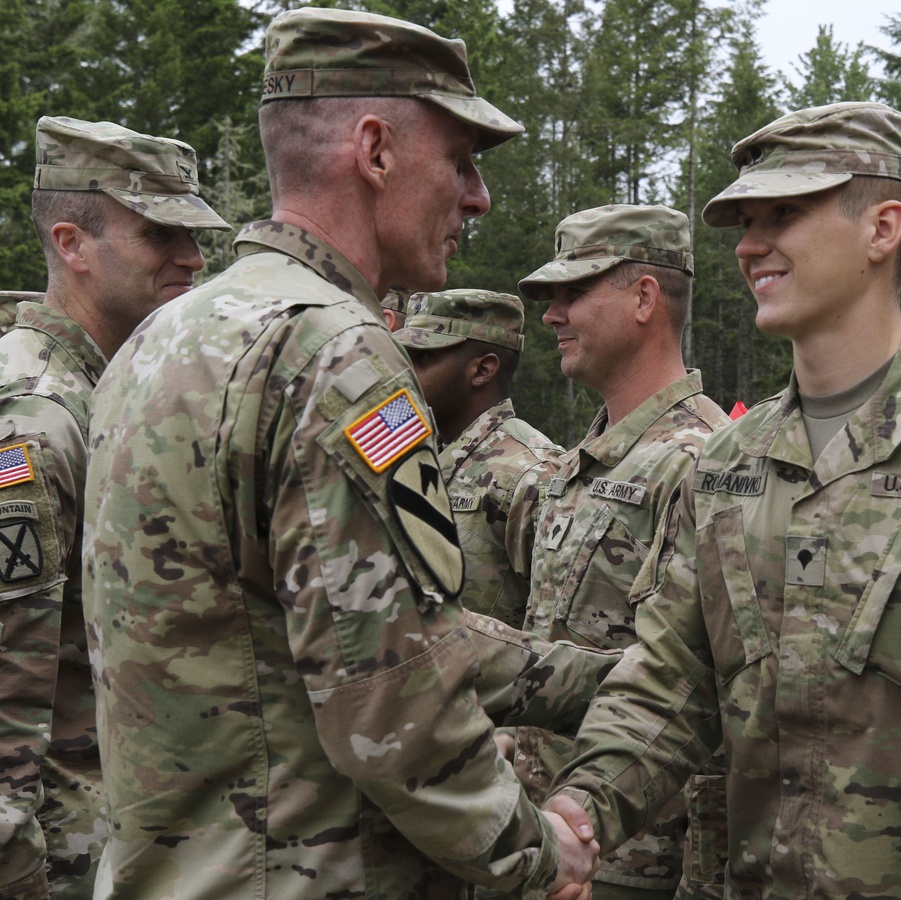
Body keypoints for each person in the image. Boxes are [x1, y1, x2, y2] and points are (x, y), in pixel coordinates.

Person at [83, 9, 599, 899]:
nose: (477, 197)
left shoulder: (163, 337)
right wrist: (535, 849)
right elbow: (390, 697)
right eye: (462, 160)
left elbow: (339, 617)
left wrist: (590, 679)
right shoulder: (337, 355)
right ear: (375, 150)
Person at [546, 101, 901, 897]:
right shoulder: (729, 464)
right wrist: (580, 815)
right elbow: (670, 679)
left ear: (882, 228)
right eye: (745, 221)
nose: (750, 245)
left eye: (785, 213)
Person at [0, 116, 229, 898]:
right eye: (162, 234)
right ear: (72, 244)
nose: (193, 259)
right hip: (59, 851)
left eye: (195, 236)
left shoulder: (104, 389)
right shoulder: (35, 415)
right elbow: (8, 674)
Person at [513, 205, 731, 899]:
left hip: (634, 860)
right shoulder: (585, 460)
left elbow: (693, 685)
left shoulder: (699, 462)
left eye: (573, 293)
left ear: (645, 299)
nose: (552, 315)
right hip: (551, 837)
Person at [397, 288, 563, 627]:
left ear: (482, 370)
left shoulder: (533, 475)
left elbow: (553, 636)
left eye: (423, 359)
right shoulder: (416, 454)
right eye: (404, 358)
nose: (405, 373)